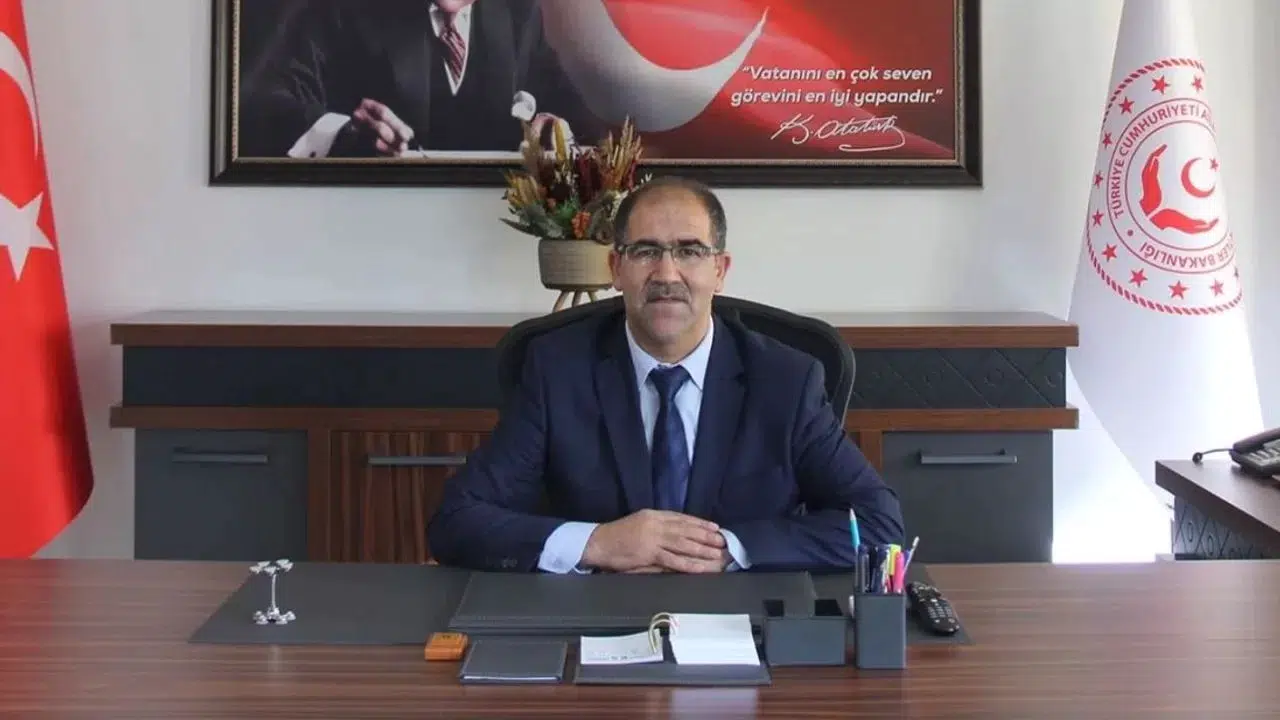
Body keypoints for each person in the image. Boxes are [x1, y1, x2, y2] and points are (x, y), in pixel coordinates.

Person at [427, 176, 904, 573]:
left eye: (690, 251)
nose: (667, 274)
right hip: (597, 616)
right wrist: (598, 543)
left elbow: (880, 526)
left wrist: (727, 550)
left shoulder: (786, 380)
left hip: (744, 622)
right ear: (616, 267)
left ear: (720, 270)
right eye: (645, 251)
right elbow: (457, 519)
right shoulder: (557, 369)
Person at [237, 0, 600, 158]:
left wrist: (556, 130)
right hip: (358, 229)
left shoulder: (517, 12)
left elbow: (580, 124)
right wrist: (343, 136)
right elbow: (260, 105)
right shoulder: (341, 7)